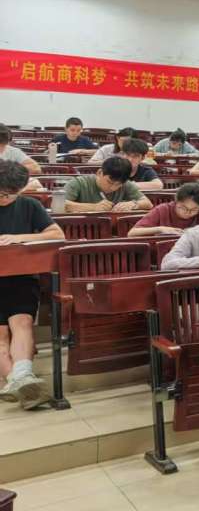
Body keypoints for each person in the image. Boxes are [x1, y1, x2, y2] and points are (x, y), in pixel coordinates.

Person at [0, 161, 65, 409]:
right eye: (1, 193)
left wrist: (18, 237)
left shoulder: (29, 205)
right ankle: (22, 382)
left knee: (23, 322)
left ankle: (19, 381)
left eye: (11, 194)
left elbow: (57, 234)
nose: (5, 199)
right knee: (0, 333)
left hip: (21, 276)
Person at [63, 157, 150, 212]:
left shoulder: (125, 184)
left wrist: (133, 204)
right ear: (99, 172)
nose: (113, 188)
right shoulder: (79, 183)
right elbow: (60, 204)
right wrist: (93, 207)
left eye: (118, 185)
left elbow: (148, 203)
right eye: (109, 182)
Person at [128, 182, 199, 237]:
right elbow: (132, 233)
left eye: (194, 210)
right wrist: (160, 229)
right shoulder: (163, 210)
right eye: (183, 208)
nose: (188, 213)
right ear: (176, 201)